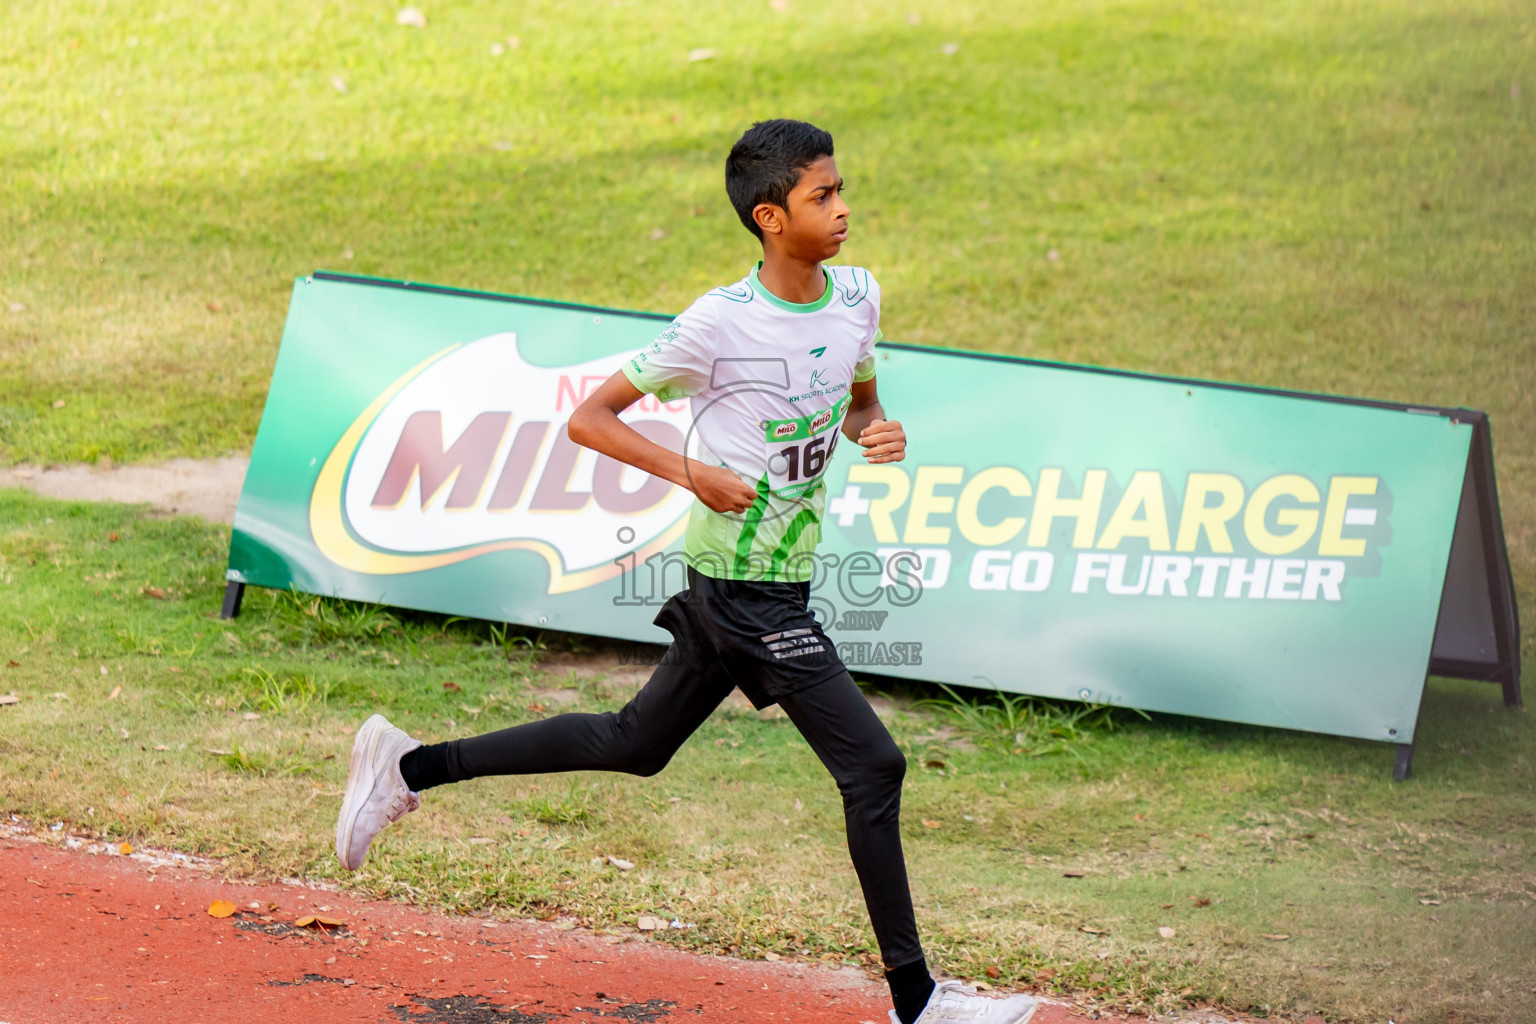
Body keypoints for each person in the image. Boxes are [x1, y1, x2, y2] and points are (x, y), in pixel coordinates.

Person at [335, 118, 1037, 1024]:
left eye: (840, 188)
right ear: (770, 218)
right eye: (823, 196)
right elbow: (591, 418)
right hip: (739, 587)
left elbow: (861, 405)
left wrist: (878, 432)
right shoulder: (719, 323)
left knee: (636, 743)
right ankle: (919, 1002)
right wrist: (690, 472)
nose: (845, 207)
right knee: (875, 764)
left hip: (781, 580)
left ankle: (408, 767)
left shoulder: (858, 294)